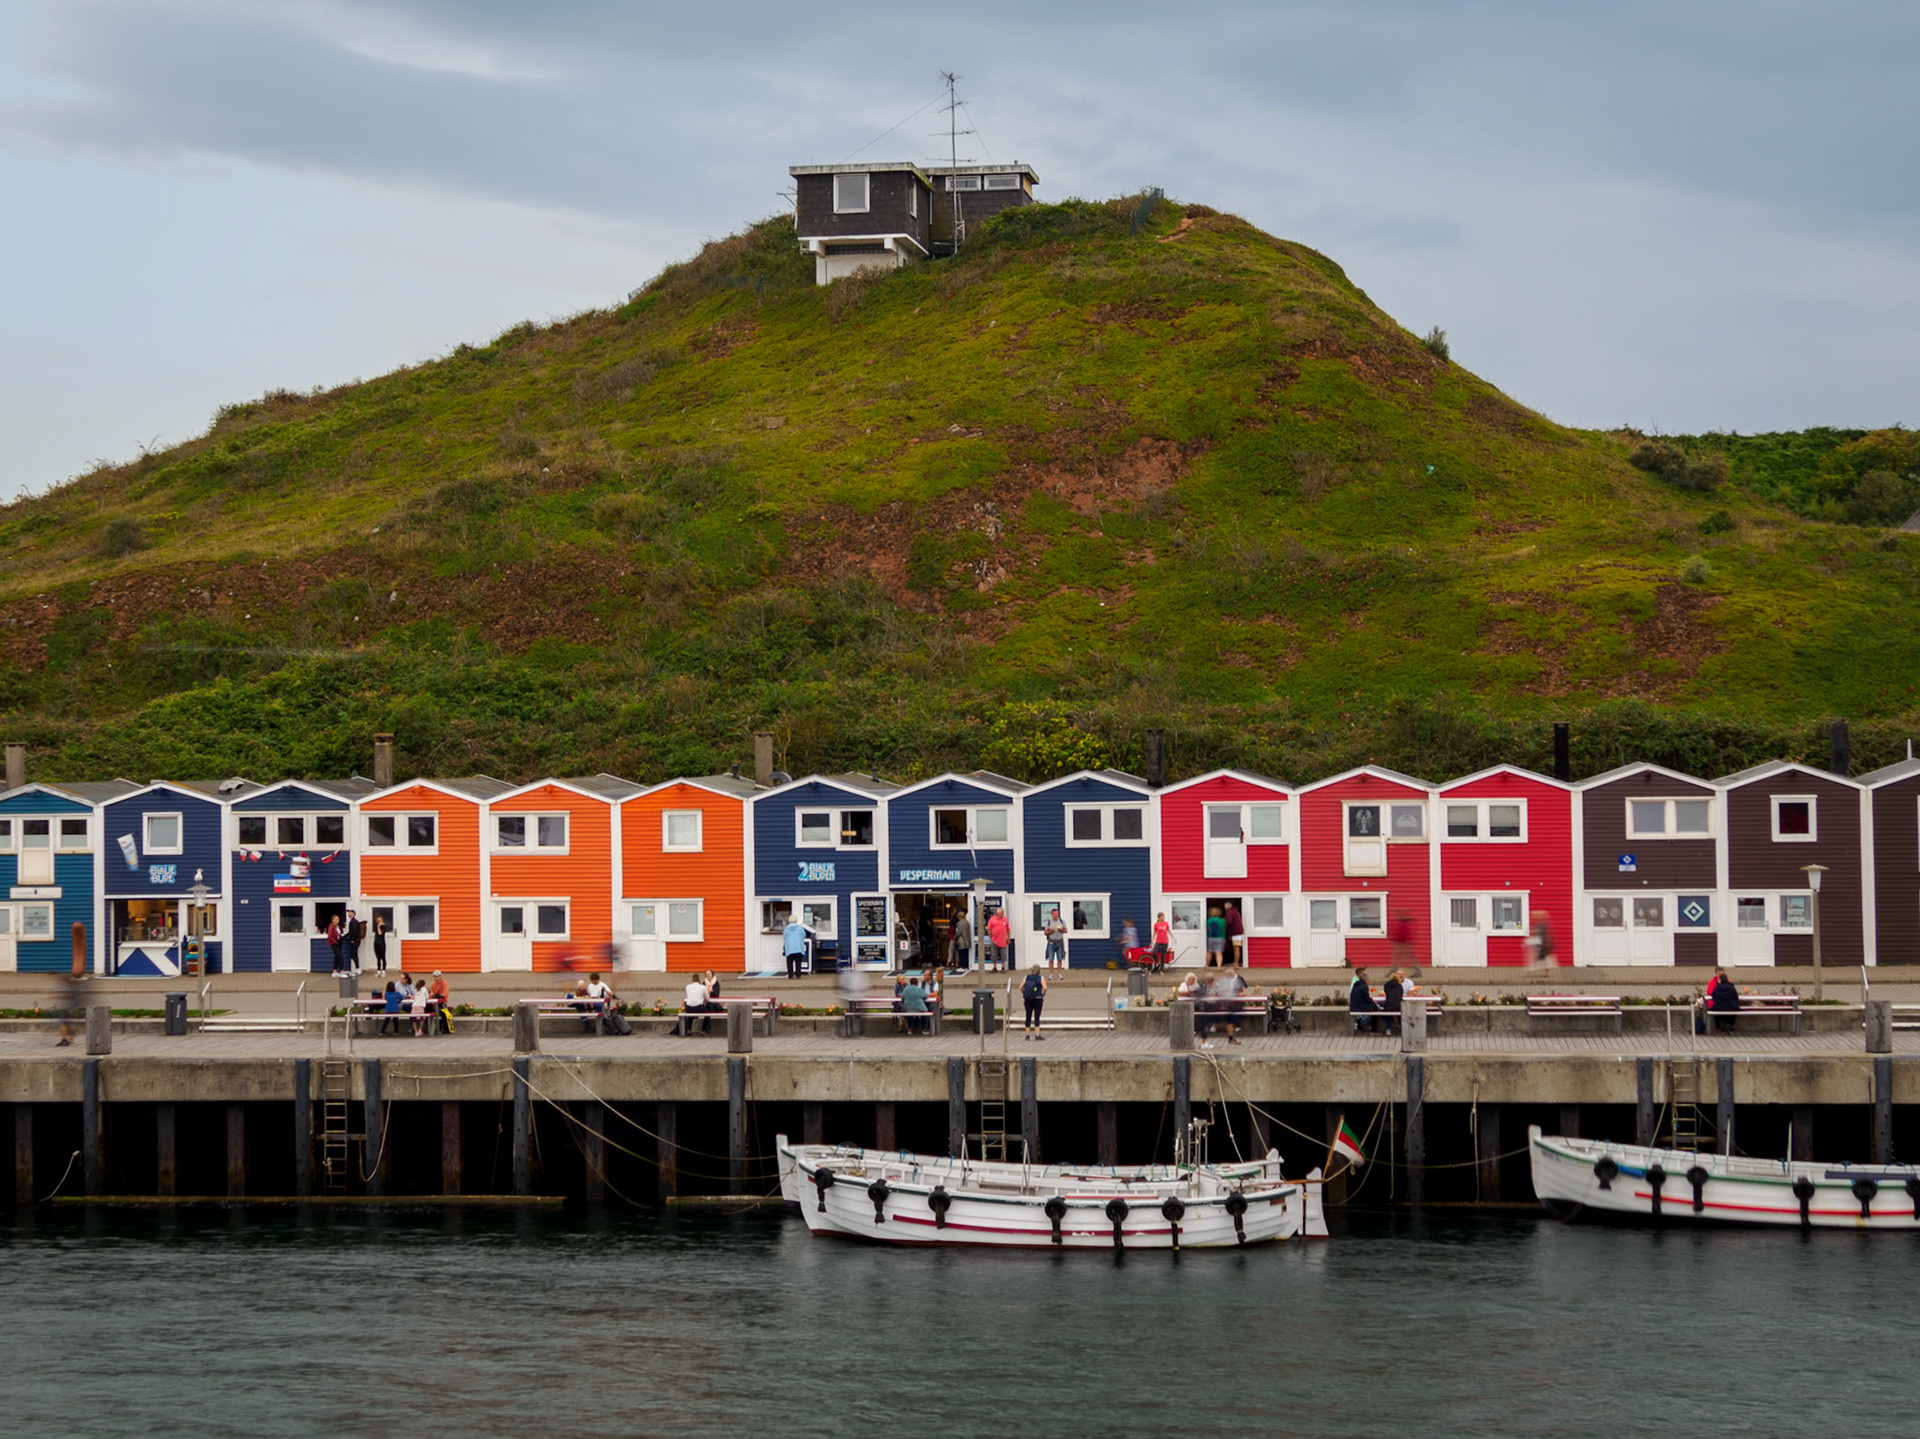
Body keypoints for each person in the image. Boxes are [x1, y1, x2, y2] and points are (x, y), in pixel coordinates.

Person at [1349, 967, 1382, 1035]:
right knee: (1376, 1009)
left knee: (1374, 1006)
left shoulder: (1357, 985)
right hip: (1359, 1008)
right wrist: (1374, 1003)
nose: (1369, 981)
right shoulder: (1364, 987)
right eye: (1368, 979)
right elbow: (1367, 999)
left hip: (1354, 1006)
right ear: (1366, 980)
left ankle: (1362, 1024)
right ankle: (1373, 1029)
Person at [782, 912, 814, 980]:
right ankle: (798, 975)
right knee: (798, 962)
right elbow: (804, 935)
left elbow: (784, 937)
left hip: (789, 948)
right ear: (796, 920)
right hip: (798, 947)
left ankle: (790, 976)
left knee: (789, 963)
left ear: (789, 920)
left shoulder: (786, 929)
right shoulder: (800, 928)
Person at [1021, 963, 1048, 1041]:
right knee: (1037, 1016)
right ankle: (1037, 1034)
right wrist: (1043, 994)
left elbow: (1020, 987)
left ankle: (1027, 1034)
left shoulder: (1026, 977)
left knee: (1028, 1016)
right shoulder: (1040, 978)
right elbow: (1045, 988)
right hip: (1038, 999)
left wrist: (1024, 993)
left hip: (1028, 999)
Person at [1709, 969, 1741, 1035]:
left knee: (1716, 1012)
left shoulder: (1717, 987)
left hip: (1719, 1007)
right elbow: (1736, 997)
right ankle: (1729, 1025)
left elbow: (1713, 996)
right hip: (1731, 1007)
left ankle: (1718, 1027)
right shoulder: (1731, 986)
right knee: (1734, 1011)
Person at [986, 907, 1011, 972]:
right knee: (994, 954)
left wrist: (1008, 938)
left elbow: (1008, 929)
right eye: (1001, 913)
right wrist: (991, 937)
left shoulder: (1005, 919)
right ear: (997, 913)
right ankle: (994, 967)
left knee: (1003, 954)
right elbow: (989, 929)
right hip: (994, 940)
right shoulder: (992, 919)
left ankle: (1003, 967)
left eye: (1003, 913)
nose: (1002, 914)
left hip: (1003, 940)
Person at [1382, 969, 1405, 1038]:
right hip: (1398, 1005)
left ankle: (1388, 1029)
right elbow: (1400, 995)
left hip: (1389, 1005)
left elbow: (1387, 994)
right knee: (1400, 1015)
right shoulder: (1399, 986)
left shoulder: (1386, 985)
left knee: (1388, 1015)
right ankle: (1402, 1028)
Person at [950, 908, 973, 975]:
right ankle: (966, 966)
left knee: (961, 954)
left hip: (961, 940)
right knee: (966, 953)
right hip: (967, 940)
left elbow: (958, 932)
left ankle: (962, 966)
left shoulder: (959, 924)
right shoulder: (967, 923)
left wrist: (954, 937)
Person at [1223, 903, 1246, 967]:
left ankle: (1236, 964)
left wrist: (1225, 927)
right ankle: (1236, 962)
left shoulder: (1229, 912)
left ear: (1226, 907)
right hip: (1239, 932)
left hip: (1235, 933)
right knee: (1237, 948)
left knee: (1236, 948)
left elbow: (1228, 922)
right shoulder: (1236, 911)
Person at [344, 909, 365, 975]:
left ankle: (358, 968)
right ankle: (356, 968)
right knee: (353, 954)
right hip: (354, 940)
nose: (349, 914)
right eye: (348, 913)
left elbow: (355, 932)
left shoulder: (354, 922)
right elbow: (350, 932)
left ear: (353, 914)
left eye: (350, 913)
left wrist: (353, 939)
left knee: (354, 954)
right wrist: (344, 936)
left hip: (355, 941)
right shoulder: (352, 922)